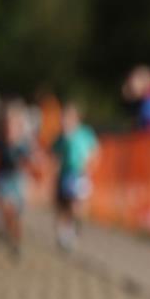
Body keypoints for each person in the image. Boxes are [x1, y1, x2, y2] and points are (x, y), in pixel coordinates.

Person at [51, 102, 98, 251]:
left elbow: (95, 150)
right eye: (63, 117)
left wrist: (90, 165)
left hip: (79, 174)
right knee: (62, 205)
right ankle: (64, 233)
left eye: (68, 117)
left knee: (76, 204)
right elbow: (54, 153)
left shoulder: (85, 133)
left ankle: (75, 227)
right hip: (64, 174)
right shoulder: (61, 136)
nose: (65, 121)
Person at [0, 99, 35, 259]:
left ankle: (16, 243)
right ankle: (3, 229)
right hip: (3, 178)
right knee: (6, 207)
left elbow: (30, 161)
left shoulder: (23, 144)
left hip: (18, 179)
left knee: (17, 215)